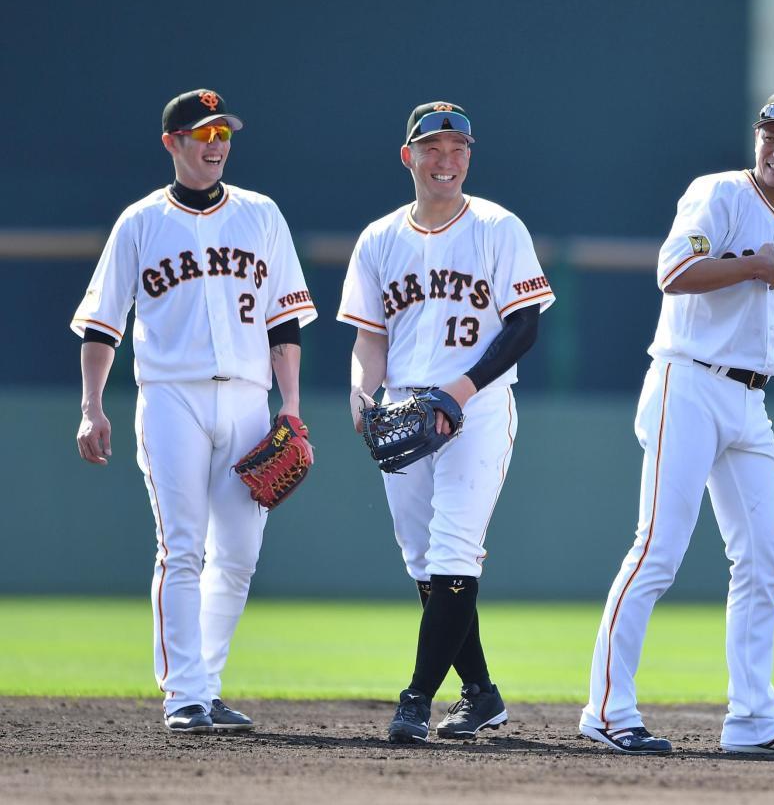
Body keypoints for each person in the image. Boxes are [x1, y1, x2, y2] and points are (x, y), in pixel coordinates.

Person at [579, 93, 774, 755]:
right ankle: (606, 709)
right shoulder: (717, 194)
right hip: (686, 381)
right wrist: (752, 264)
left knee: (764, 559)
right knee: (658, 548)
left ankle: (751, 719)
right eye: (771, 135)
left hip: (752, 402)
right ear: (757, 139)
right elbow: (673, 271)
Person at [72, 89, 316, 733]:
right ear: (171, 143)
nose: (215, 144)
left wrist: (288, 408)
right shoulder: (140, 222)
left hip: (246, 398)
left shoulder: (261, 215)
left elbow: (284, 320)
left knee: (236, 554)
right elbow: (101, 326)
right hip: (171, 395)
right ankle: (182, 694)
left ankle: (203, 684)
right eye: (202, 133)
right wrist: (91, 407)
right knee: (181, 547)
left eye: (223, 133)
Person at [337, 102, 554, 743]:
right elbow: (370, 336)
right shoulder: (379, 238)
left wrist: (458, 393)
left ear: (469, 157)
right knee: (421, 561)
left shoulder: (496, 226)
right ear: (409, 157)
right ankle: (481, 695)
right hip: (405, 404)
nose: (446, 160)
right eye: (433, 147)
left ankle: (415, 701)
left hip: (478, 404)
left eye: (458, 148)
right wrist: (362, 395)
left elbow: (525, 324)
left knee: (455, 548)